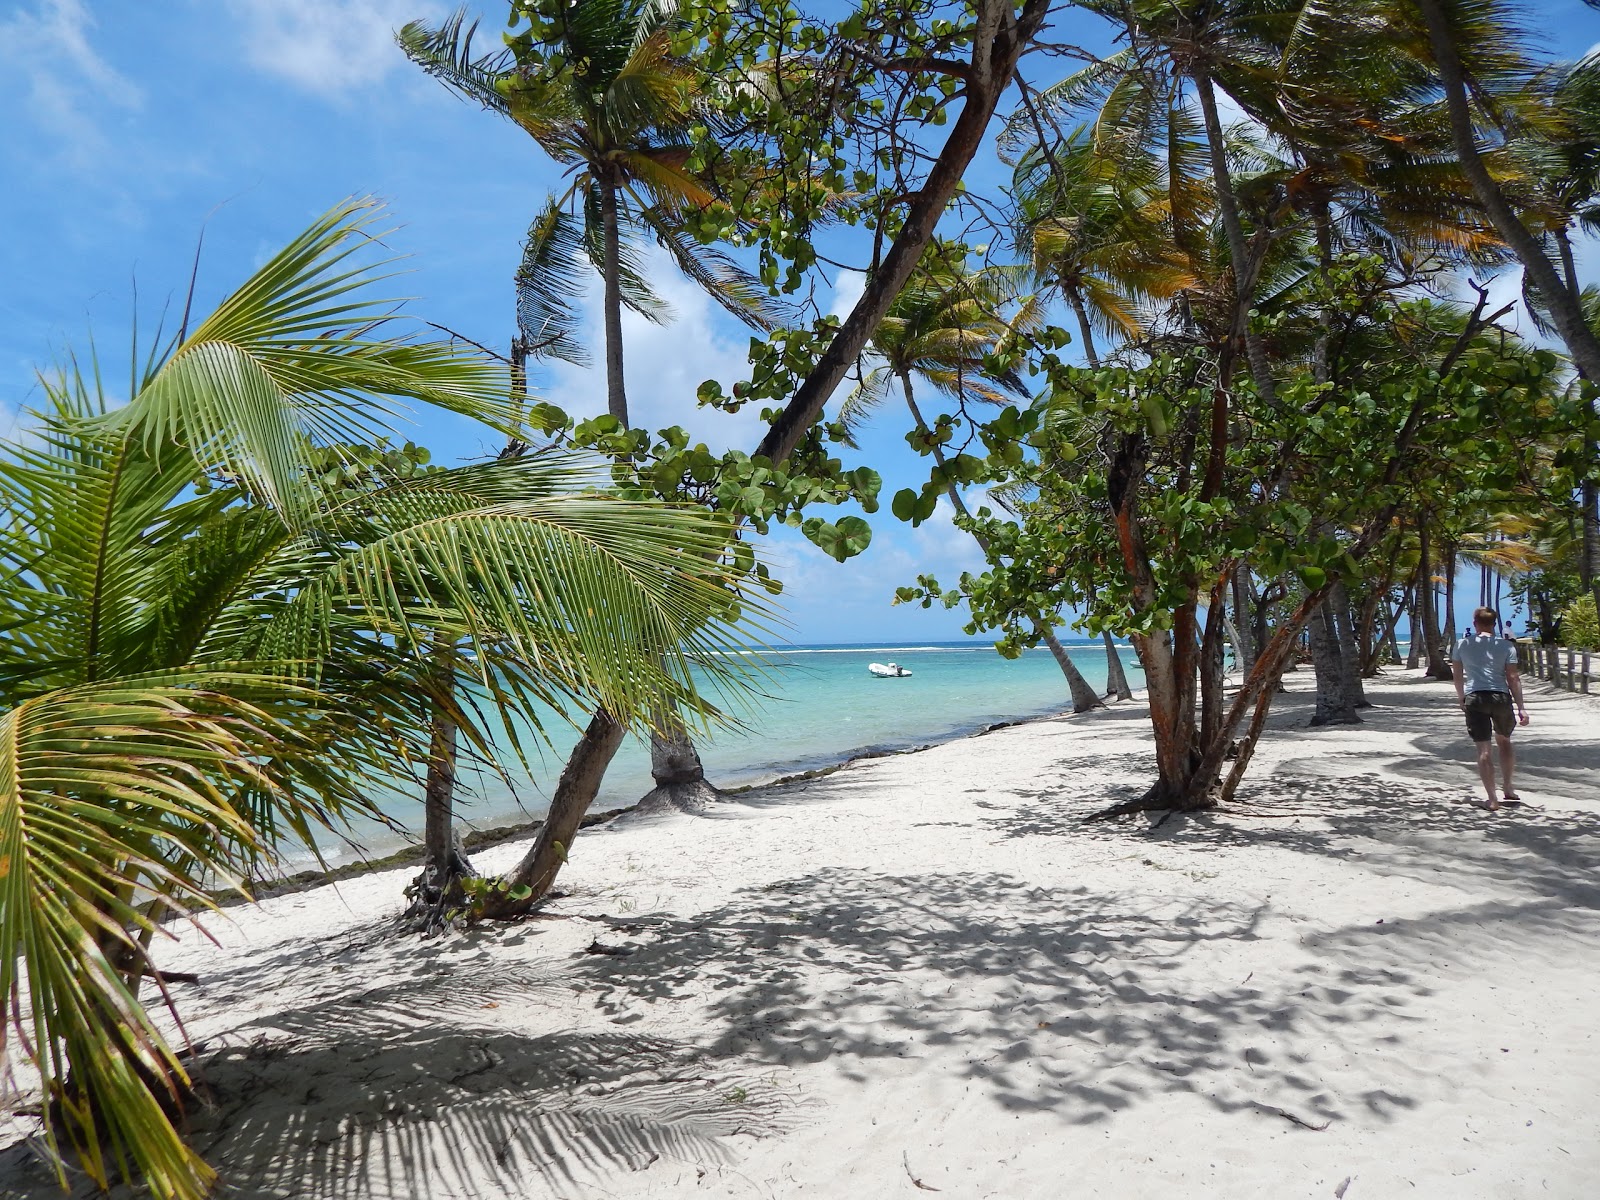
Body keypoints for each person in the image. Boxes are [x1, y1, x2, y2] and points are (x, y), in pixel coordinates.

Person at [1452, 606, 1529, 811]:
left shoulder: (1461, 644)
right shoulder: (1506, 646)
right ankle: (1508, 787)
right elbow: (1513, 677)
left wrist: (1461, 698)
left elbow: (1458, 676)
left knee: (1484, 749)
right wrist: (1521, 707)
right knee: (1504, 742)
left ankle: (1492, 799)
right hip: (1500, 697)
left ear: (1475, 622)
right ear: (1494, 624)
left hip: (1475, 697)